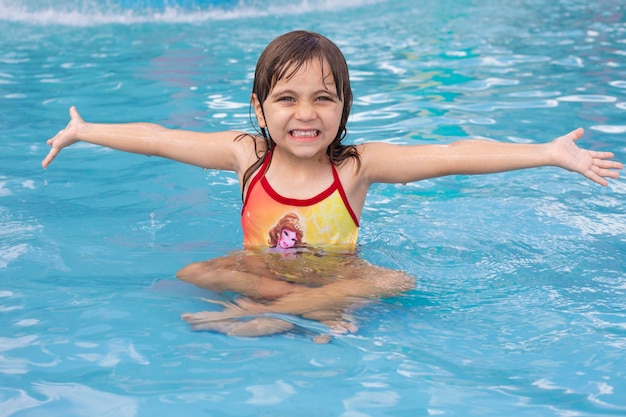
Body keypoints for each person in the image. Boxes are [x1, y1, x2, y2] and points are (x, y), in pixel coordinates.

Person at [42, 30, 622, 342]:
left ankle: (287, 313)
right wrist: (86, 130)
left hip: (334, 271)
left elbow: (451, 155)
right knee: (192, 273)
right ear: (259, 108)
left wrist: (547, 153)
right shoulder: (245, 156)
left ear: (343, 109)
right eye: (286, 98)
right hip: (263, 269)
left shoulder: (356, 167)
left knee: (396, 279)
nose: (306, 114)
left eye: (324, 97)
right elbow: (158, 136)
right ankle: (308, 312)